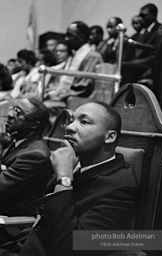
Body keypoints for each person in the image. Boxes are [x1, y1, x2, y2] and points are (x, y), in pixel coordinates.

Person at [17, 101, 140, 256]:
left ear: (109, 137)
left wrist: (64, 178)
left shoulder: (121, 188)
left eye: (84, 122)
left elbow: (69, 248)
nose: (69, 127)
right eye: (71, 121)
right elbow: (42, 214)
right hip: (24, 244)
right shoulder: (76, 164)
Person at [0, 97, 53, 244]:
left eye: (18, 112)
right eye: (12, 109)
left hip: (11, 228)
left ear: (34, 126)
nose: (10, 114)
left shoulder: (35, 155)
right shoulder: (18, 142)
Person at [44, 21, 103, 132]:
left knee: (42, 109)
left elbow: (85, 86)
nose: (66, 38)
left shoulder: (92, 56)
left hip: (79, 99)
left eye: (69, 35)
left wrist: (63, 94)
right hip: (66, 96)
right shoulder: (75, 54)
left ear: (80, 37)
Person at [122, 3, 162, 86]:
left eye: (144, 15)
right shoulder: (144, 31)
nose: (140, 19)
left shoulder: (161, 30)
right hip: (140, 63)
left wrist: (134, 62)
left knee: (125, 66)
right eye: (140, 15)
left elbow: (157, 54)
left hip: (151, 66)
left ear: (153, 15)